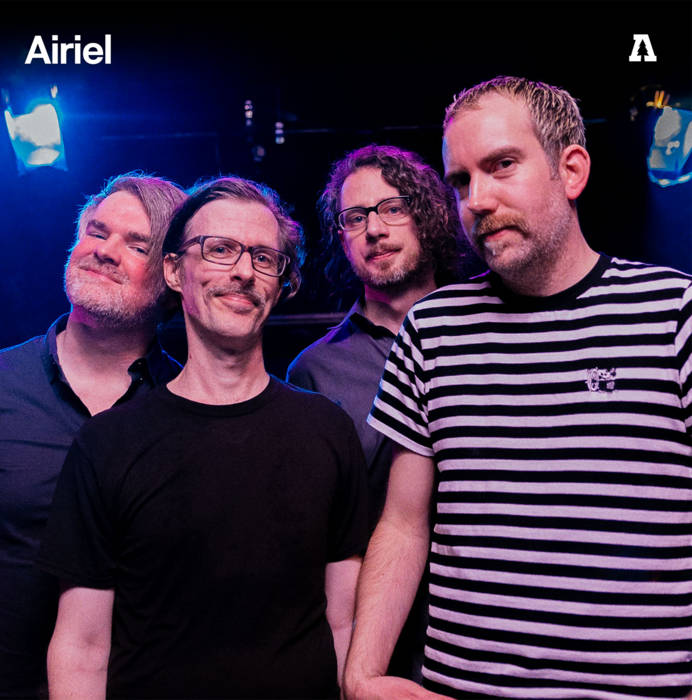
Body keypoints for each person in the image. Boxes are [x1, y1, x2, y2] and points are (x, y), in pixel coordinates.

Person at [344, 76, 692, 700]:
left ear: (572, 171)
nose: (477, 199)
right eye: (460, 181)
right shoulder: (432, 328)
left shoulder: (673, 312)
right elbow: (402, 523)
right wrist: (362, 675)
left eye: (502, 165)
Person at [37, 176, 369, 699]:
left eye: (264, 258)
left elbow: (346, 625)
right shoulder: (108, 443)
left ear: (281, 283)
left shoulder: (328, 430)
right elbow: (82, 647)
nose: (244, 271)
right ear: (174, 271)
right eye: (219, 249)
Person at [0, 172, 186, 699]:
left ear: (173, 278)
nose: (104, 251)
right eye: (97, 232)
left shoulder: (189, 408)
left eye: (137, 245)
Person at [287, 144, 465, 680]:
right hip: (378, 641)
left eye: (393, 208)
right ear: (340, 237)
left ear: (428, 215)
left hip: (492, 624)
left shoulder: (488, 337)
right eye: (355, 217)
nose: (375, 229)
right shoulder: (315, 371)